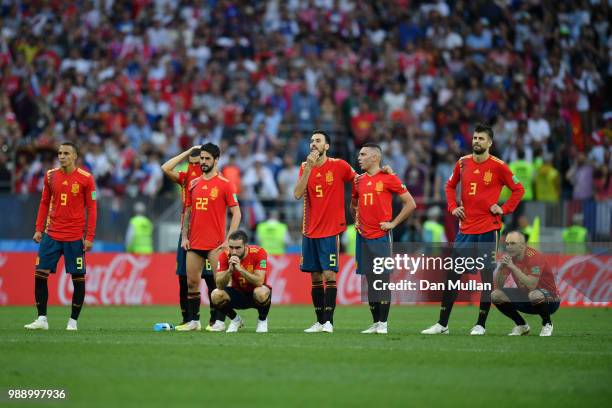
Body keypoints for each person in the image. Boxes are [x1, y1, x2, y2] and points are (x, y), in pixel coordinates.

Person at [422, 123, 525, 335]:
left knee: (486, 277)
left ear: (490, 143)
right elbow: (449, 186)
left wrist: (504, 208)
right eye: (475, 138)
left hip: (488, 228)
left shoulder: (498, 166)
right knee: (452, 275)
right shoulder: (462, 163)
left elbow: (518, 189)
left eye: (481, 139)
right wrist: (452, 207)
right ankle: (442, 324)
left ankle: (480, 324)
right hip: (465, 230)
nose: (476, 141)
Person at [25, 142, 97, 331]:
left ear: (75, 156)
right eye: (60, 153)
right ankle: (42, 319)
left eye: (66, 153)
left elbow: (92, 208)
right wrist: (39, 228)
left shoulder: (86, 178)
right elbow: (44, 202)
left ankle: (73, 321)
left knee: (78, 279)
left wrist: (89, 236)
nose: (62, 156)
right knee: (40, 274)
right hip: (52, 234)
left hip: (74, 237)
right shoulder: (50, 176)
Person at [294, 130, 356, 333]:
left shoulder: (339, 166)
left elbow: (359, 181)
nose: (313, 143)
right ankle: (320, 321)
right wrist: (309, 168)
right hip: (309, 230)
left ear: (326, 146)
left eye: (318, 141)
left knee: (329, 275)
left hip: (330, 230)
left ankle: (328, 321)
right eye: (311, 140)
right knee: (315, 277)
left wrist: (356, 204)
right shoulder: (305, 166)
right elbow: (297, 194)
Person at [175, 143, 241, 331]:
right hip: (194, 243)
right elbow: (188, 211)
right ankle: (193, 321)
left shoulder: (225, 184)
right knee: (191, 282)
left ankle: (220, 321)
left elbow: (237, 213)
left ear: (216, 160)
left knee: (220, 283)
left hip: (216, 245)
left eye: (207, 159)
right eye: (201, 159)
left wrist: (229, 240)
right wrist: (185, 236)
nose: (203, 162)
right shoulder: (194, 183)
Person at [351, 143, 416, 334]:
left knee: (382, 279)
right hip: (362, 236)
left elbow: (410, 203)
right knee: (370, 280)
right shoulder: (358, 180)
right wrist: (357, 217)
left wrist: (393, 224)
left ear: (375, 158)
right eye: (359, 155)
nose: (359, 158)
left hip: (380, 236)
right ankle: (375, 323)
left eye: (363, 154)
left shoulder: (389, 178)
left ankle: (384, 324)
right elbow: (354, 203)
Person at [161, 146, 224, 330]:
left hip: (208, 234)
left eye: (200, 161)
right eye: (193, 162)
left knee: (211, 279)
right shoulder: (186, 179)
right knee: (184, 277)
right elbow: (165, 168)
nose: (197, 165)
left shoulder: (210, 178)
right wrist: (188, 151)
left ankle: (215, 318)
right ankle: (188, 318)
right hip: (187, 233)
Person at [491, 231, 559, 336]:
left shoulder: (535, 257)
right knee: (496, 295)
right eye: (507, 244)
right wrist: (501, 268)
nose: (509, 247)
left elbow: (532, 285)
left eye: (513, 243)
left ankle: (547, 324)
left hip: (550, 301)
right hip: (527, 298)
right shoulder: (509, 257)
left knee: (534, 294)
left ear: (522, 246)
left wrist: (512, 267)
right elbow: (499, 286)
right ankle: (522, 325)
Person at [211, 230, 272, 333]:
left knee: (261, 292)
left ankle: (262, 320)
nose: (234, 251)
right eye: (231, 247)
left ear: (245, 246)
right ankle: (235, 320)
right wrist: (229, 271)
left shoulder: (259, 252)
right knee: (215, 295)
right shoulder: (224, 255)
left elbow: (260, 281)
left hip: (255, 293)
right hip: (237, 293)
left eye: (238, 248)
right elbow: (219, 285)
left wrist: (240, 269)